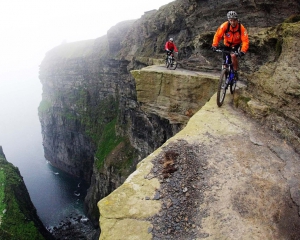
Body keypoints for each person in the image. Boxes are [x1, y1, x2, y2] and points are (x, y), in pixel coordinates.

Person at [211, 11, 249, 80]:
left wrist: (243, 51)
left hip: (236, 45)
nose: (233, 22)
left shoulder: (241, 28)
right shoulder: (225, 25)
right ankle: (224, 76)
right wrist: (214, 45)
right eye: (231, 20)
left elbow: (245, 41)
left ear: (237, 20)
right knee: (224, 63)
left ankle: (235, 71)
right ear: (228, 20)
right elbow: (217, 35)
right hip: (227, 45)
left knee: (233, 55)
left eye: (234, 20)